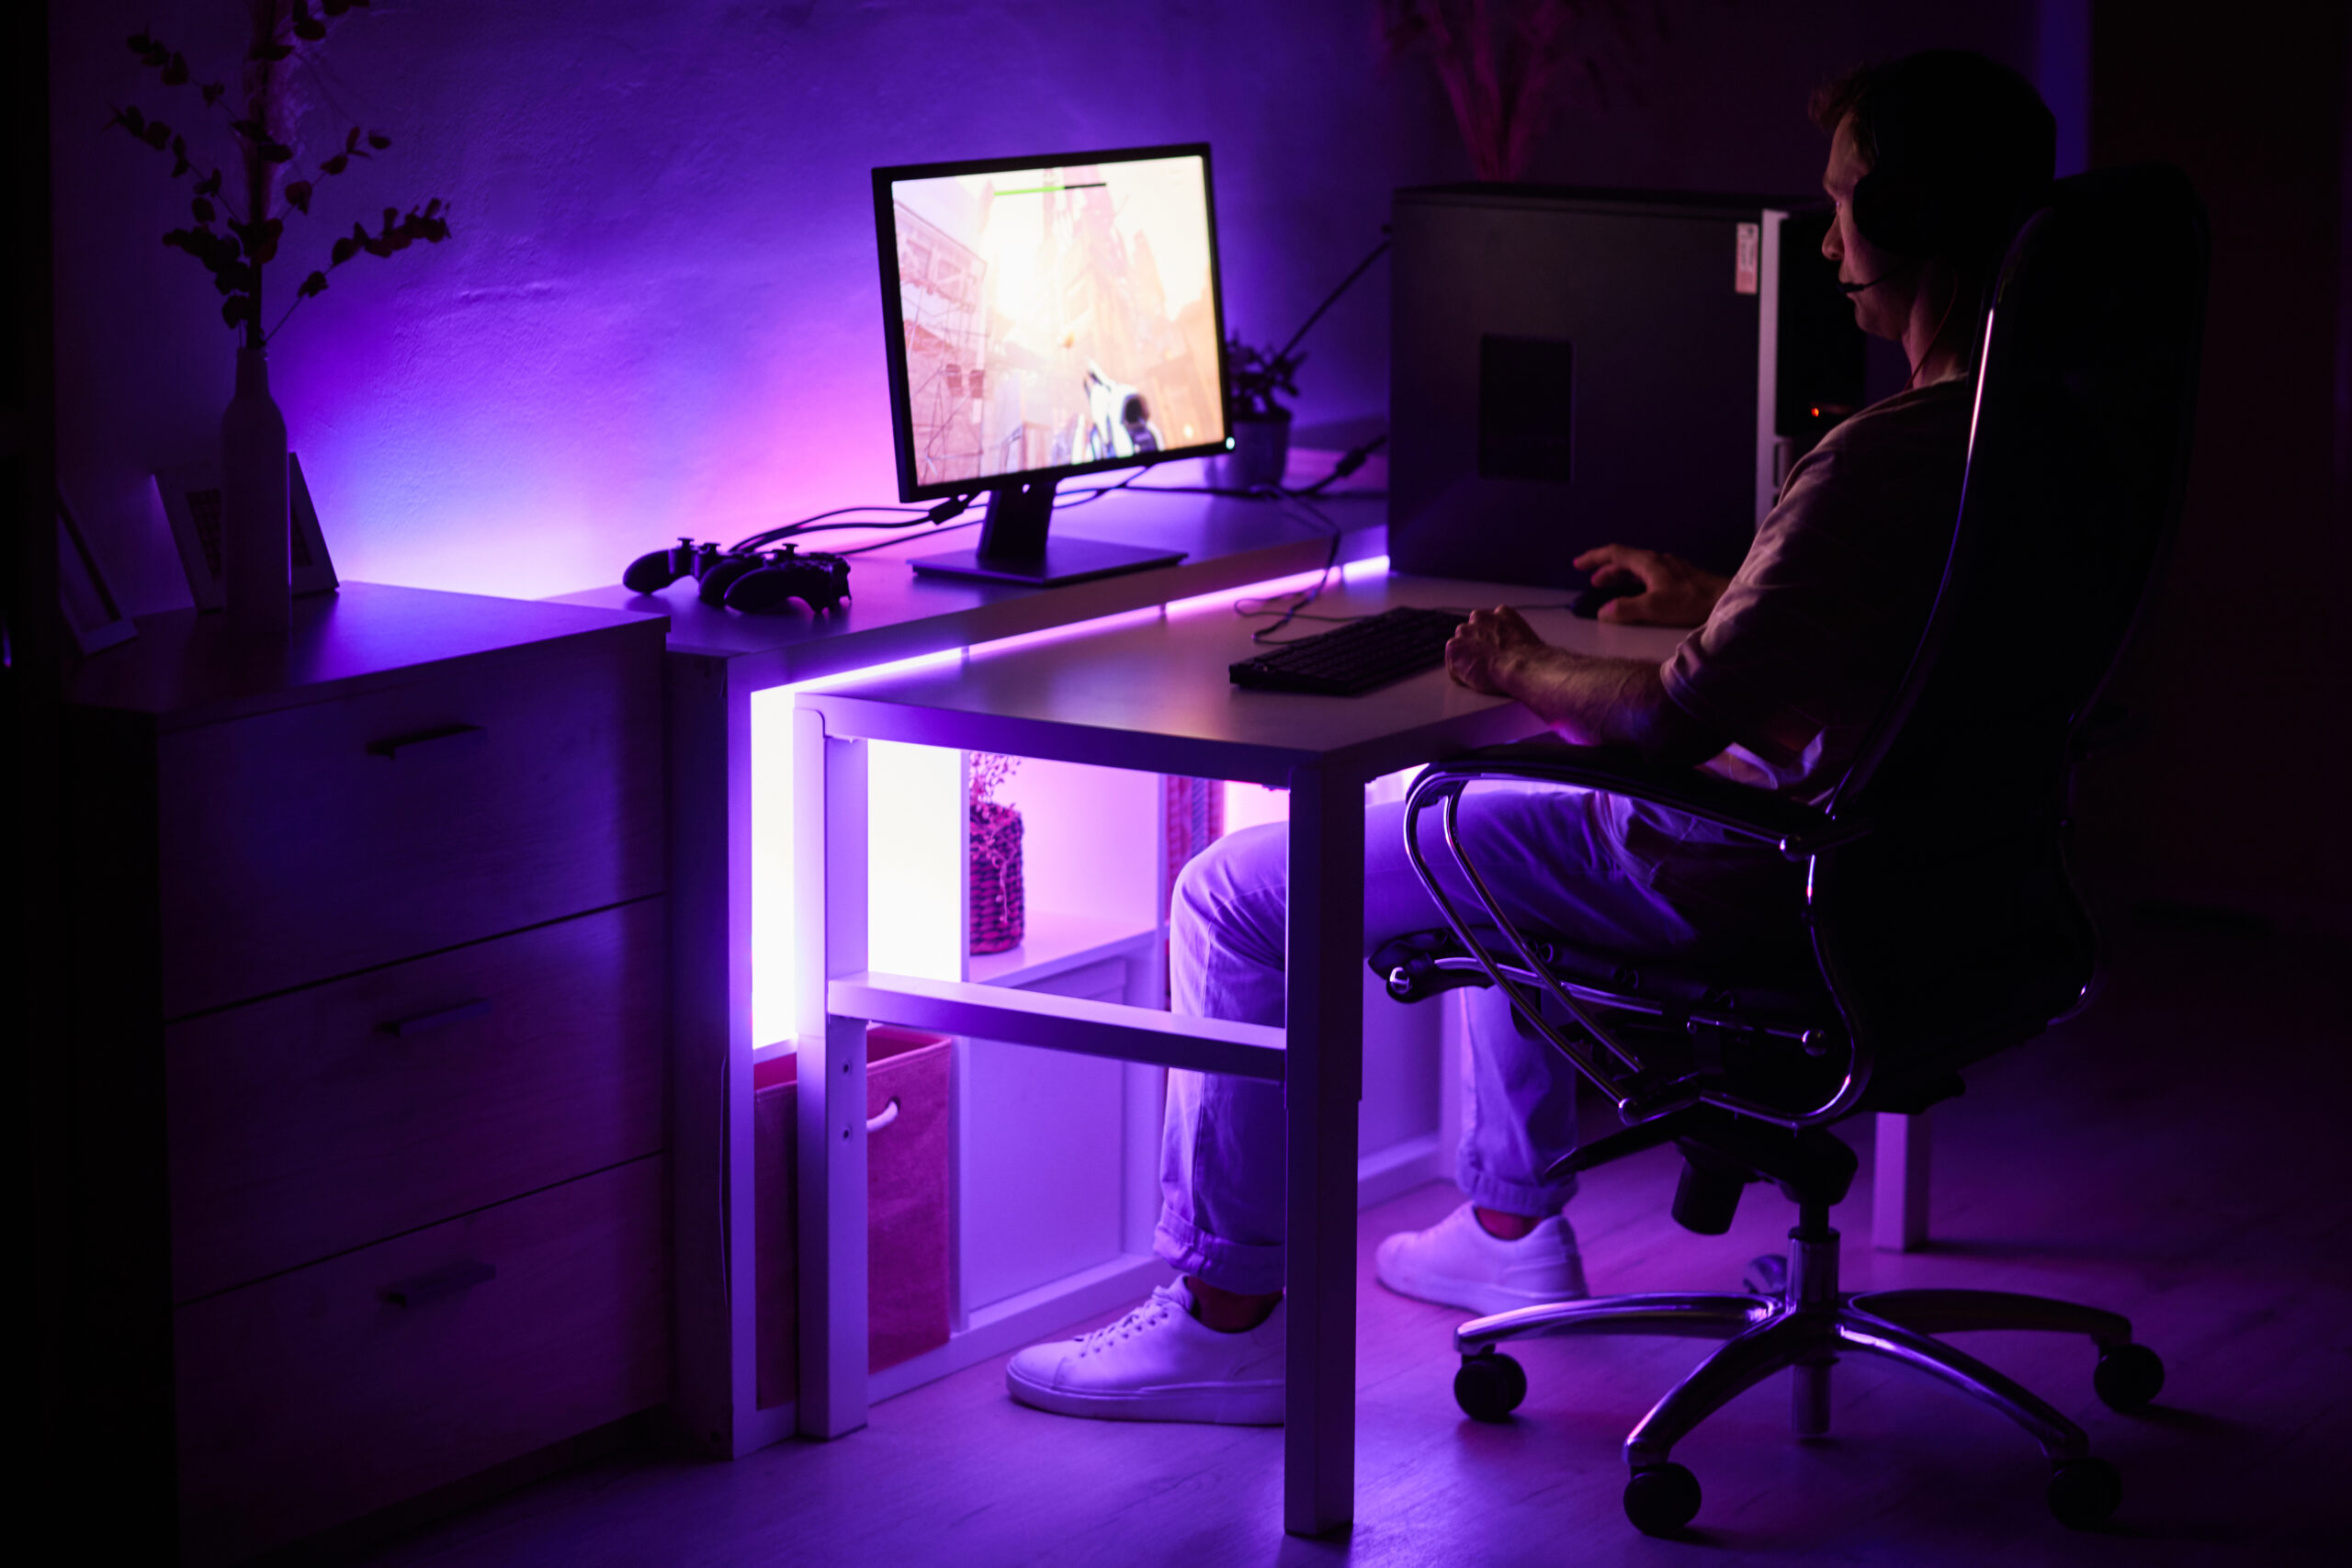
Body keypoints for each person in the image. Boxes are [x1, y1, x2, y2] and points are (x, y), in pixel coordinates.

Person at [1005, 50, 2058, 1426]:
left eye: (1847, 204)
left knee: (1236, 892)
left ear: (1914, 220)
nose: (1827, 240)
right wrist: (1721, 600)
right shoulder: (2026, 438)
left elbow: (1673, 716)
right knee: (1513, 798)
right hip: (1939, 885)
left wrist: (1524, 659)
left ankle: (1228, 1317)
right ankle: (1510, 1232)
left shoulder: (1872, 460)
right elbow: (1906, 654)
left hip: (1750, 880)